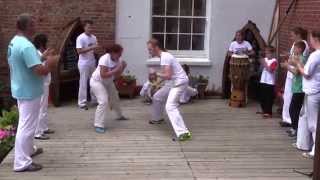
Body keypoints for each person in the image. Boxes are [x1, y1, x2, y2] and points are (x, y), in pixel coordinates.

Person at [8, 13, 59, 172]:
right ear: (28, 26)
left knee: (27, 124)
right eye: (33, 24)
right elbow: (40, 70)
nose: (35, 27)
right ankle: (21, 162)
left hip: (21, 88)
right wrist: (50, 63)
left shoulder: (14, 41)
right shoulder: (27, 46)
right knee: (27, 126)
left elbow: (28, 64)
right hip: (29, 91)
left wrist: (42, 57)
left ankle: (29, 150)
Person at [147, 38, 192, 141]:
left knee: (170, 106)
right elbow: (168, 76)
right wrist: (157, 81)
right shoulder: (164, 56)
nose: (149, 51)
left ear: (156, 47)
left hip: (179, 83)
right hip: (173, 82)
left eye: (150, 49)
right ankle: (157, 119)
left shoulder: (165, 57)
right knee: (157, 97)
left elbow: (167, 75)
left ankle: (183, 133)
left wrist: (155, 73)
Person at [292, 30, 320, 159]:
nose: (310, 41)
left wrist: (298, 64)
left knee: (313, 123)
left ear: (315, 39)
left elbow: (307, 73)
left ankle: (315, 151)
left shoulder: (315, 55)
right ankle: (312, 147)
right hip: (316, 90)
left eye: (311, 38)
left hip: (313, 92)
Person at [90, 44, 128, 133]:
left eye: (121, 53)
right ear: (112, 53)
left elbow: (117, 76)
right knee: (103, 101)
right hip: (97, 82)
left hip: (108, 82)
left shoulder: (119, 60)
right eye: (119, 53)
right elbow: (103, 75)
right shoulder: (104, 59)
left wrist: (122, 68)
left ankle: (119, 115)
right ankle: (98, 125)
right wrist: (117, 69)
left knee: (115, 97)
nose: (120, 55)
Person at [280, 27, 309, 128]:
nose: (291, 36)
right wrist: (288, 55)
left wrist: (288, 64)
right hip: (292, 74)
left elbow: (299, 59)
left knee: (292, 101)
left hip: (296, 75)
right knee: (287, 96)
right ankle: (287, 119)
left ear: (298, 34)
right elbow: (294, 56)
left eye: (292, 34)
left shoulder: (303, 44)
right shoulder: (296, 44)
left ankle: (291, 122)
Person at [33, 34, 55, 140]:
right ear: (42, 44)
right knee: (40, 108)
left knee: (44, 107)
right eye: (46, 42)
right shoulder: (37, 54)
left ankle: (44, 127)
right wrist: (49, 60)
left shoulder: (42, 53)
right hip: (41, 84)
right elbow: (41, 70)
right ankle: (38, 132)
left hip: (46, 83)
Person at [76, 20, 98, 110]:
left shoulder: (94, 37)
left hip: (92, 61)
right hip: (83, 63)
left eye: (91, 27)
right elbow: (79, 51)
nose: (90, 29)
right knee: (83, 82)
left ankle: (94, 100)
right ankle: (82, 103)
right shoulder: (80, 38)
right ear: (84, 27)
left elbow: (95, 49)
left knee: (94, 81)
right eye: (88, 27)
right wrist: (91, 47)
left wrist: (95, 50)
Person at [258, 46, 278, 118]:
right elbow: (260, 70)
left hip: (270, 82)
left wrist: (264, 63)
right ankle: (264, 110)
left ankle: (269, 112)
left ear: (272, 53)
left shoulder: (274, 61)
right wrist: (261, 62)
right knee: (262, 96)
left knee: (269, 98)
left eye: (268, 53)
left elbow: (270, 70)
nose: (266, 54)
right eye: (266, 52)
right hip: (263, 80)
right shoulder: (265, 59)